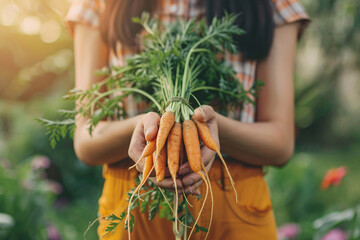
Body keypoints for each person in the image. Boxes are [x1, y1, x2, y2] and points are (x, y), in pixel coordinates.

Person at [65, 0, 309, 239]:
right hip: (136, 203)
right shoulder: (98, 4)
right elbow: (86, 140)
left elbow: (280, 143)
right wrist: (144, 129)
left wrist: (210, 127)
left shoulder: (273, 4)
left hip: (235, 206)